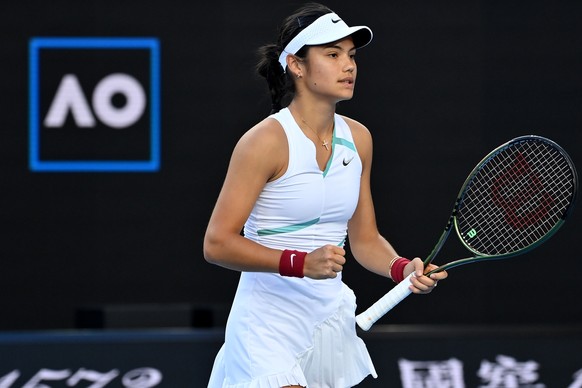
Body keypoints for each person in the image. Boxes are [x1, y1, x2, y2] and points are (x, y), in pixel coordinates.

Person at [203, 3, 448, 387]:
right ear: (296, 65)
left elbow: (364, 239)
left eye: (351, 56)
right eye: (332, 55)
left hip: (327, 322)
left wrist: (402, 269)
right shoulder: (264, 142)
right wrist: (300, 263)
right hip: (266, 321)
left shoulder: (359, 138)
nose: (348, 66)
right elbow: (217, 244)